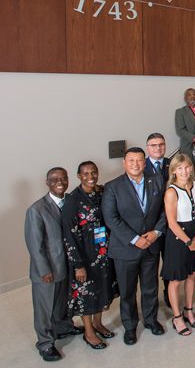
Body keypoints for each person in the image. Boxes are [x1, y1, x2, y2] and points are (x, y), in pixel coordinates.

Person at [101, 148, 167, 345]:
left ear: (145, 162)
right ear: (124, 163)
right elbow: (111, 219)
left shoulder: (156, 181)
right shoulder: (112, 187)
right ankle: (130, 327)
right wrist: (134, 239)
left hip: (151, 246)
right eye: (131, 161)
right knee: (128, 291)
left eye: (139, 160)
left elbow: (165, 210)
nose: (136, 164)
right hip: (126, 249)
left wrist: (156, 232)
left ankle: (151, 320)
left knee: (150, 287)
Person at [25, 167, 83, 361]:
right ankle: (45, 343)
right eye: (55, 179)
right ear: (47, 183)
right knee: (45, 308)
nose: (60, 182)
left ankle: (64, 327)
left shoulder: (70, 203)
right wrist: (44, 270)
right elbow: (35, 244)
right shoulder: (37, 209)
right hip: (47, 270)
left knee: (62, 301)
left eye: (63, 178)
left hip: (67, 265)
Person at [61, 162, 117, 350]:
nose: (90, 176)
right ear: (79, 176)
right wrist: (78, 264)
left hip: (104, 253)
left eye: (93, 172)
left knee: (103, 289)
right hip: (84, 257)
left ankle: (98, 323)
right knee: (87, 294)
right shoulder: (73, 200)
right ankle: (88, 331)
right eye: (85, 173)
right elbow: (69, 235)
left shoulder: (101, 193)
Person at [160, 154, 195, 336]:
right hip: (178, 238)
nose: (184, 171)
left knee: (192, 276)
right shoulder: (171, 191)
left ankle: (188, 309)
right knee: (176, 279)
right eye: (180, 168)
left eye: (187, 167)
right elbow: (172, 223)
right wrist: (188, 241)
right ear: (174, 171)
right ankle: (177, 316)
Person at [144, 133, 171, 305]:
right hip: (151, 226)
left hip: (172, 223)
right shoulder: (141, 166)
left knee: (169, 263)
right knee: (150, 269)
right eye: (154, 145)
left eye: (161, 144)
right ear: (148, 148)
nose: (158, 148)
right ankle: (151, 304)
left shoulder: (171, 164)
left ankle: (169, 295)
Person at [175, 88, 195, 165]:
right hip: (188, 146)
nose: (192, 97)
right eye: (189, 95)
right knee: (189, 170)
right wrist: (194, 139)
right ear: (185, 98)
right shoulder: (180, 112)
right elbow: (180, 130)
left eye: (194, 94)